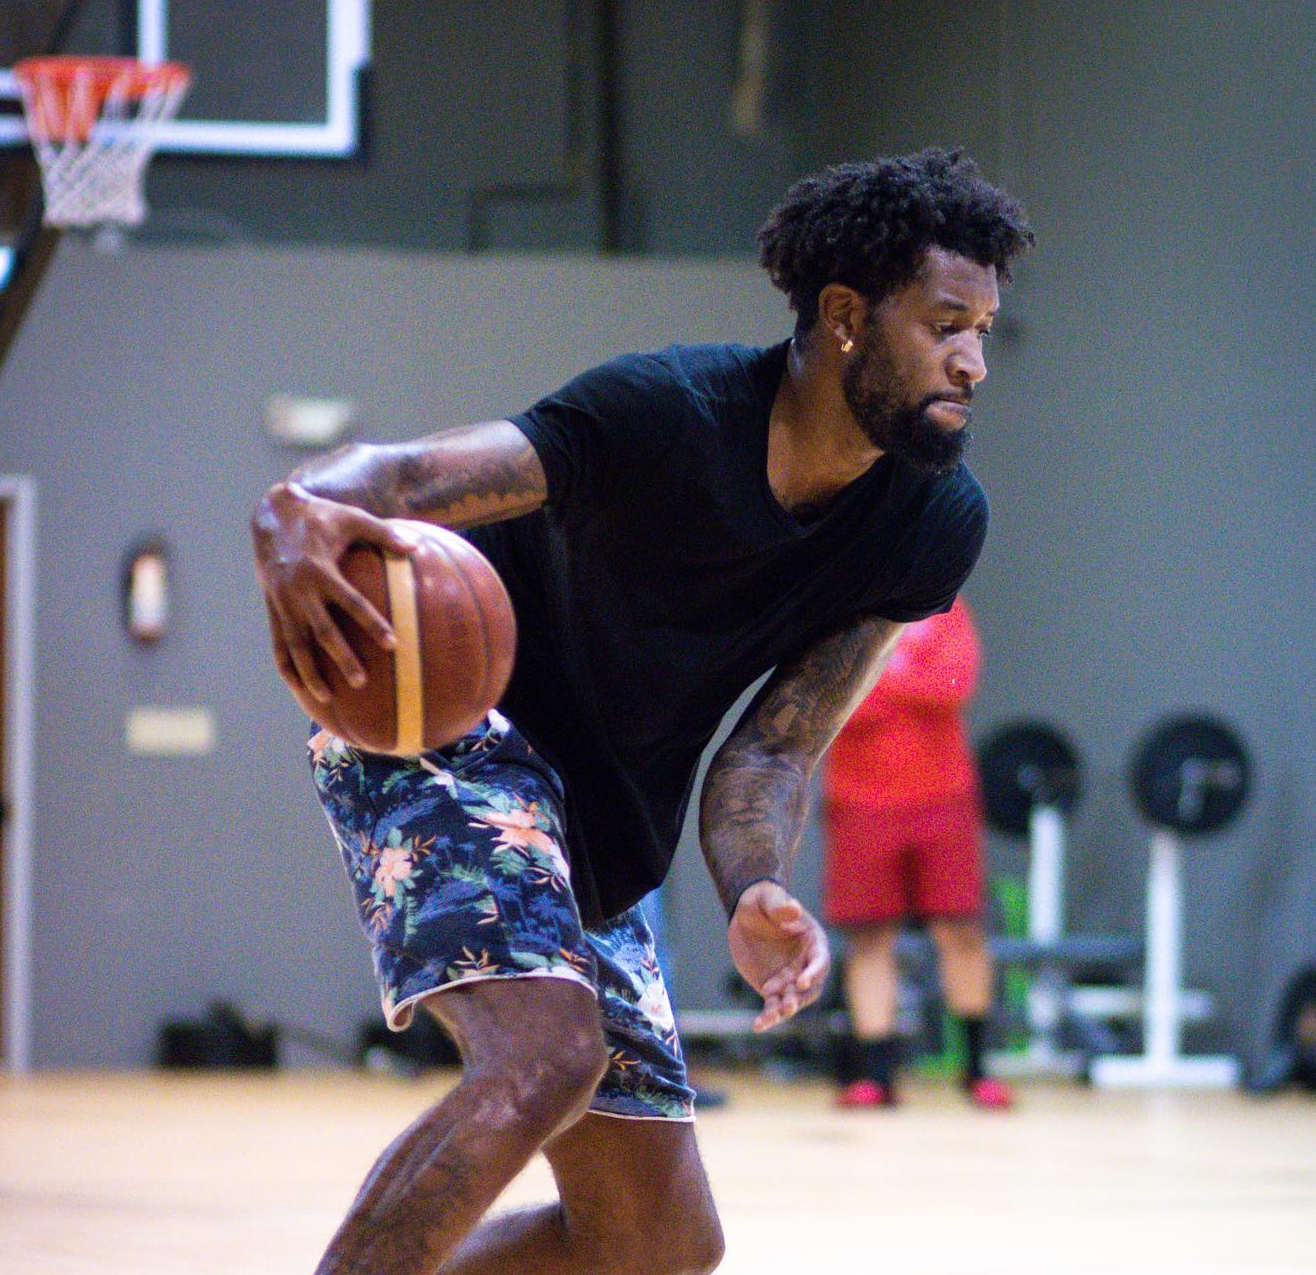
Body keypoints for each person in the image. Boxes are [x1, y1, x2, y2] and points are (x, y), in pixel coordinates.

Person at [251, 148, 1032, 1275]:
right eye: (946, 324)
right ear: (848, 318)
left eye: (982, 330)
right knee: (542, 1061)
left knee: (654, 1244)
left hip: (598, 821)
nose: (972, 361)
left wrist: (753, 885)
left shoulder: (931, 522)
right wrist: (294, 514)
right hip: (453, 738)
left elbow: (772, 749)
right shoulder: (662, 412)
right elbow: (410, 478)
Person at [823, 596, 1014, 1110]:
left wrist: (875, 674)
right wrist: (905, 679)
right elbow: (832, 698)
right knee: (869, 937)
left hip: (942, 796)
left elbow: (955, 684)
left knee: (961, 931)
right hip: (859, 798)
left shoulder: (945, 605)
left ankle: (976, 1068)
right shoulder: (836, 610)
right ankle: (877, 1074)